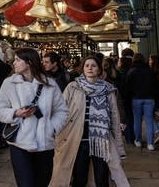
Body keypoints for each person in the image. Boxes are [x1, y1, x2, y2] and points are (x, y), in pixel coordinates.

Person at [50, 56, 129, 187]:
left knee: (102, 179)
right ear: (82, 68)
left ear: (99, 69)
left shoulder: (108, 89)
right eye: (87, 65)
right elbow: (60, 111)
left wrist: (119, 146)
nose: (90, 68)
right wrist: (56, 134)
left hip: (102, 141)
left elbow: (115, 117)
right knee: (79, 178)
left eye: (93, 66)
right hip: (78, 140)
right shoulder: (73, 87)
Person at [0, 47, 68, 187]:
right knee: (26, 183)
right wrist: (15, 113)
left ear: (29, 62)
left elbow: (62, 111)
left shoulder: (50, 83)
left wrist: (51, 128)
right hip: (20, 143)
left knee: (43, 182)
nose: (13, 63)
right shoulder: (9, 83)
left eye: (17, 60)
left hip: (44, 143)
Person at [125, 52, 156, 150]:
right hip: (149, 99)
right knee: (149, 121)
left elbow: (128, 87)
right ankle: (150, 143)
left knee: (137, 120)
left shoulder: (131, 71)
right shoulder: (149, 71)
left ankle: (138, 141)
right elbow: (154, 85)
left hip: (136, 99)